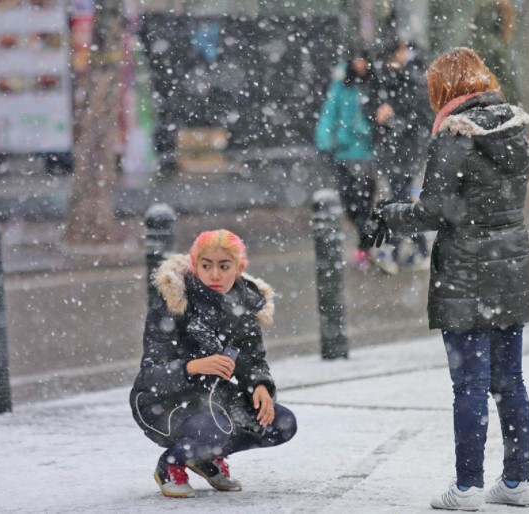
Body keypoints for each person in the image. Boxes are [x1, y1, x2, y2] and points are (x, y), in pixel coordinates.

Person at [369, 48, 529, 510]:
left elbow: (434, 211)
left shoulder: (455, 136)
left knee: (469, 385)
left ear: (444, 89)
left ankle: (467, 487)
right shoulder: (513, 130)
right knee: (510, 381)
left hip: (465, 274)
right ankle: (518, 480)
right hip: (512, 266)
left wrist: (390, 214)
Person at [130, 229, 297, 498]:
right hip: (164, 401)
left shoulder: (244, 304)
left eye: (224, 266)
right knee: (215, 428)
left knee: (282, 422)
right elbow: (150, 375)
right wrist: (193, 366)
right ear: (195, 265)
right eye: (206, 266)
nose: (215, 275)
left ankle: (204, 455)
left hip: (214, 397)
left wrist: (260, 386)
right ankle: (171, 464)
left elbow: (253, 361)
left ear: (239, 268)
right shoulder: (174, 303)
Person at [367, 38, 433, 274]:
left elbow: (422, 119)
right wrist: (378, 114)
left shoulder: (414, 78)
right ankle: (419, 250)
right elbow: (372, 108)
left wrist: (393, 119)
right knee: (401, 202)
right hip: (392, 151)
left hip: (407, 151)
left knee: (400, 201)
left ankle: (392, 252)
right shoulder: (384, 79)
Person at [314, 51, 376, 269]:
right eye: (357, 59)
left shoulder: (373, 86)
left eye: (364, 60)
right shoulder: (341, 88)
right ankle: (365, 245)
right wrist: (325, 142)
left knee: (365, 204)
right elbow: (329, 114)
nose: (360, 64)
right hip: (344, 153)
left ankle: (364, 247)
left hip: (367, 154)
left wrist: (367, 130)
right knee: (350, 203)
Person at [466, 0, 520, 106]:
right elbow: (508, 91)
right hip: (496, 111)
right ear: (503, 21)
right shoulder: (496, 48)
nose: (514, 28)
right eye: (511, 20)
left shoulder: (469, 44)